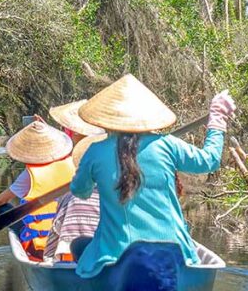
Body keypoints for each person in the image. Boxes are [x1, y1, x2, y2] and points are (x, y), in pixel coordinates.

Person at [70, 74, 236, 279]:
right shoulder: (167, 144)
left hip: (114, 257)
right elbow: (209, 160)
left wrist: (93, 178)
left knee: (78, 245)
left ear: (107, 120)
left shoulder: (95, 151)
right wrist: (217, 121)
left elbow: (80, 191)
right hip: (177, 255)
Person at [0, 120, 74, 259]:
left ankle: (29, 248)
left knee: (4, 208)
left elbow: (0, 200)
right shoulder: (73, 164)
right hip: (69, 245)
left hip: (39, 248)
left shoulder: (30, 175)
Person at [43, 132, 104, 263]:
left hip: (69, 257)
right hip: (106, 257)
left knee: (77, 244)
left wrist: (48, 256)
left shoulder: (69, 195)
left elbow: (56, 226)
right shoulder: (120, 194)